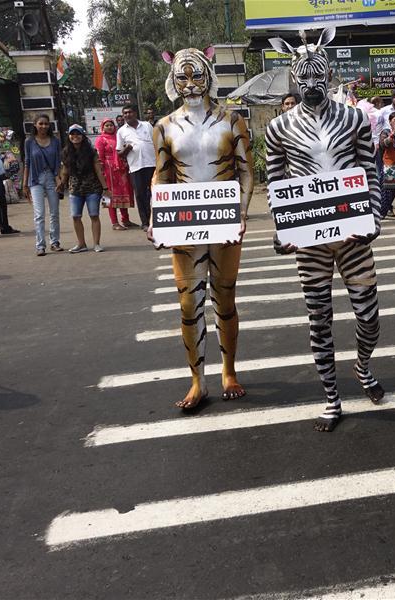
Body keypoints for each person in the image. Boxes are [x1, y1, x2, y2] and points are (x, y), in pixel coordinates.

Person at [266, 28, 384, 432]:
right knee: (319, 320)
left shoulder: (354, 118)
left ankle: (362, 366)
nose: (311, 83)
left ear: (329, 74)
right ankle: (331, 398)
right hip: (311, 240)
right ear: (293, 78)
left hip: (353, 235)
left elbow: (369, 170)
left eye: (318, 75)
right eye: (304, 77)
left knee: (369, 317)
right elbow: (276, 182)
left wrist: (374, 216)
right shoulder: (279, 127)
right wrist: (283, 228)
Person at [151, 45, 255, 411]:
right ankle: (197, 381)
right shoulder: (164, 126)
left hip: (225, 225)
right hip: (186, 226)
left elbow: (246, 172)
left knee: (224, 299)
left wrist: (242, 213)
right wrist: (157, 218)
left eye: (197, 76)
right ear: (173, 80)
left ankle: (229, 371)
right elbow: (162, 177)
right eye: (182, 78)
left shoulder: (232, 120)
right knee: (187, 304)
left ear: (208, 76)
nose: (190, 84)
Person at [58, 124, 108, 253]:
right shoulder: (66, 152)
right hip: (75, 188)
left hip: (92, 187)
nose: (75, 136)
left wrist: (105, 187)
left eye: (78, 134)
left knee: (94, 215)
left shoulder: (91, 151)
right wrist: (61, 184)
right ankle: (81, 244)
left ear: (83, 136)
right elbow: (65, 170)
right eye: (72, 134)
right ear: (69, 136)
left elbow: (98, 170)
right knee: (75, 216)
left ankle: (96, 244)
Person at [21, 114, 63, 255]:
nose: (43, 126)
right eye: (41, 123)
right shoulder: (29, 142)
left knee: (54, 213)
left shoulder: (55, 141)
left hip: (51, 178)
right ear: (35, 125)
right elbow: (27, 162)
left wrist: (59, 179)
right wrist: (24, 184)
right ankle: (40, 245)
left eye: (46, 124)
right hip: (35, 179)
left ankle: (55, 242)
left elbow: (58, 162)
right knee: (39, 214)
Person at [116, 103, 155, 230]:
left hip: (152, 164)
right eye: (125, 113)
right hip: (136, 167)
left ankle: (157, 220)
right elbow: (119, 153)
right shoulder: (121, 131)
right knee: (140, 195)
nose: (127, 115)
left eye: (130, 112)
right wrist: (127, 148)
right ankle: (145, 222)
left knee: (155, 193)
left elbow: (156, 142)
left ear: (135, 113)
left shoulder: (147, 125)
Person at [94, 118, 135, 230]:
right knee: (110, 196)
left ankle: (125, 220)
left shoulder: (118, 136)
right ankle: (114, 223)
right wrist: (102, 171)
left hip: (121, 170)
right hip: (108, 170)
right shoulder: (100, 139)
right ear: (103, 127)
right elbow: (100, 157)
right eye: (106, 125)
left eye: (111, 125)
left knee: (123, 194)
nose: (109, 127)